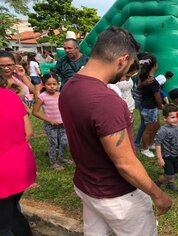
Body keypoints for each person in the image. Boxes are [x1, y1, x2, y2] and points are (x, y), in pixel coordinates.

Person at [59, 27, 171, 235]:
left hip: (87, 186)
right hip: (117, 196)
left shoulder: (69, 86)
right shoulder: (106, 100)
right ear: (122, 59)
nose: (124, 76)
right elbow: (125, 163)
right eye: (128, 66)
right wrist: (158, 194)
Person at [0, 76, 36, 236]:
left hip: (3, 172)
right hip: (21, 165)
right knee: (12, 213)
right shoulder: (10, 95)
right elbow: (28, 132)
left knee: (3, 226)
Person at [32, 73, 71, 170]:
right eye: (49, 84)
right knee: (53, 143)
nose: (52, 86)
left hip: (63, 124)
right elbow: (35, 112)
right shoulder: (42, 97)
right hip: (51, 126)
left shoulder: (60, 95)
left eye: (54, 84)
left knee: (64, 142)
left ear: (58, 84)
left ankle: (61, 158)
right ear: (44, 85)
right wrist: (49, 120)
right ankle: (52, 162)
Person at [154, 104, 178, 192]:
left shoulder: (177, 128)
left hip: (177, 155)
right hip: (168, 156)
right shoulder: (163, 130)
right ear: (165, 118)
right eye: (173, 117)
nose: (176, 119)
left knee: (175, 172)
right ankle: (158, 182)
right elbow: (158, 144)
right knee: (168, 174)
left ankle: (171, 183)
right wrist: (159, 158)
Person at [139, 54, 163, 158]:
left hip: (149, 107)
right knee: (149, 129)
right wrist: (161, 106)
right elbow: (157, 97)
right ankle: (145, 149)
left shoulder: (144, 78)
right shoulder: (153, 81)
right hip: (150, 108)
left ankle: (150, 144)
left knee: (156, 126)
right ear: (154, 65)